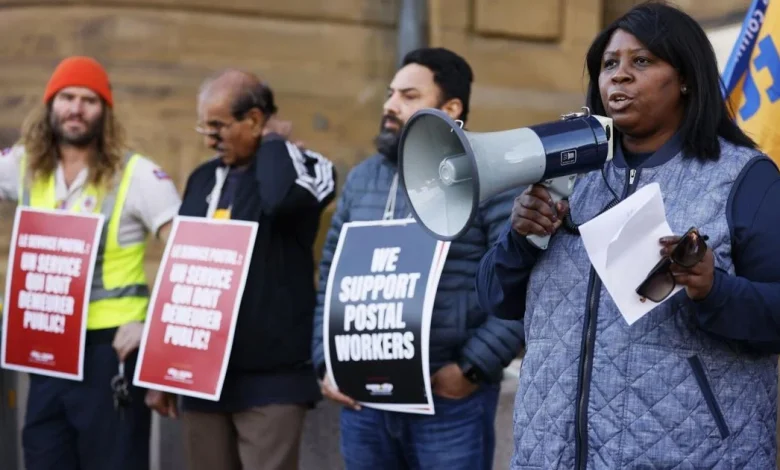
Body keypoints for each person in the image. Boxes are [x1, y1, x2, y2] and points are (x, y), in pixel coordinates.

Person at [475, 3, 780, 469]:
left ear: (685, 79)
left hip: (693, 455)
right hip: (550, 455)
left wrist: (712, 289)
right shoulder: (568, 175)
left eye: (641, 61)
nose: (618, 76)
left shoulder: (745, 179)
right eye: (608, 64)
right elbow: (496, 300)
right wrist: (519, 239)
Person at [312, 47, 524, 470]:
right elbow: (330, 276)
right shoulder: (362, 179)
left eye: (408, 96)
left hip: (447, 401)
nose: (390, 106)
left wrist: (470, 369)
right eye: (390, 94)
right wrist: (326, 362)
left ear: (450, 108)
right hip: (363, 401)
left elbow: (519, 288)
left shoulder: (490, 178)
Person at [145, 69, 337, 470]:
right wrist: (162, 369)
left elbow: (280, 201)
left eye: (218, 125)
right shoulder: (202, 178)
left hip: (271, 381)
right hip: (202, 379)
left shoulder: (303, 166)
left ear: (253, 119)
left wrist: (273, 144)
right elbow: (183, 273)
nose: (208, 138)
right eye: (204, 125)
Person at [0, 56, 182, 470]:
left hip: (110, 351)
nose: (76, 109)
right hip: (45, 347)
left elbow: (191, 255)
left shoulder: (137, 175)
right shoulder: (25, 165)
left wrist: (152, 325)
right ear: (50, 105)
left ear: (105, 111)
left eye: (89, 100)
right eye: (66, 97)